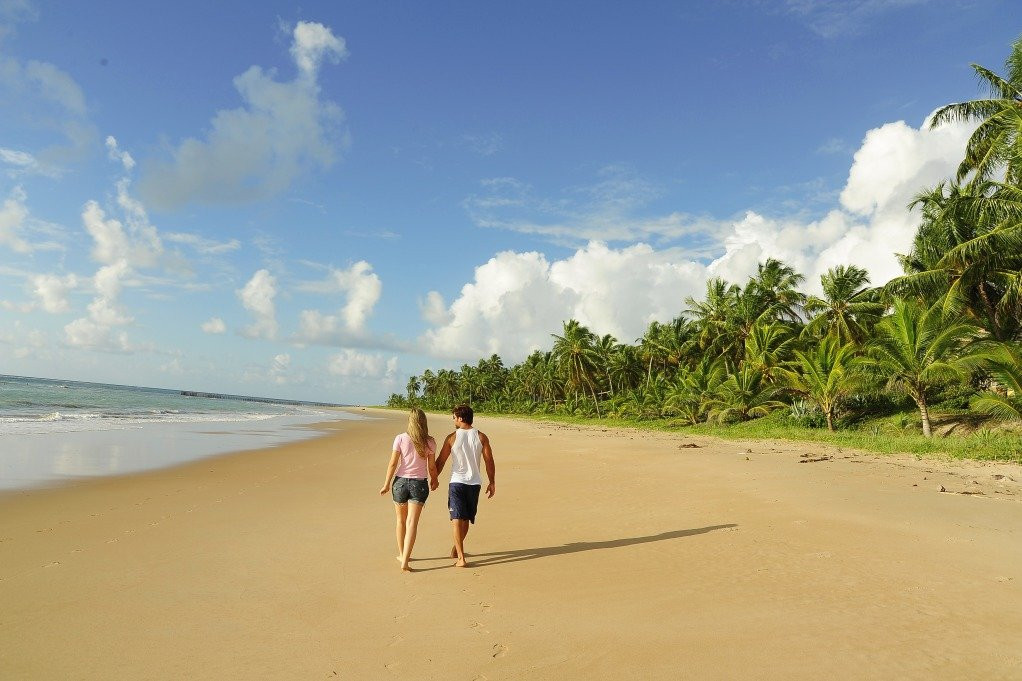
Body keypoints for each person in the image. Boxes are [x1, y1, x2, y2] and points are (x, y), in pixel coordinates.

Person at [435, 404, 495, 567]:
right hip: (474, 483)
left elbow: (440, 461)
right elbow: (489, 461)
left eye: (454, 417)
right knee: (464, 518)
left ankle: (459, 553)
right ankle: (460, 554)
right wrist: (492, 482)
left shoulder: (452, 437)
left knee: (458, 519)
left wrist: (433, 478)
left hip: (457, 483)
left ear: (460, 418)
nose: (453, 420)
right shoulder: (481, 437)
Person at [379, 408, 439, 571]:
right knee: (412, 522)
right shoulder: (430, 441)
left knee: (401, 521)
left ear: (410, 422)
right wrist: (434, 480)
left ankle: (401, 554)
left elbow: (393, 463)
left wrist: (386, 484)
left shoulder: (400, 438)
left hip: (400, 483)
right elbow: (431, 467)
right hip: (419, 484)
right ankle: (405, 561)